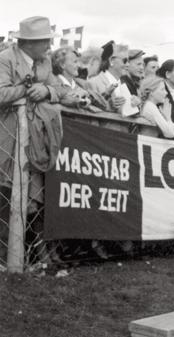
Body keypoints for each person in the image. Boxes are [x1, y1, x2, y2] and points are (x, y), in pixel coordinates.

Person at [0, 16, 62, 262]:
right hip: (7, 138)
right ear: (28, 43)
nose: (48, 45)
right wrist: (29, 90)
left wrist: (47, 90)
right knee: (5, 196)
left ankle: (15, 256)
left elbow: (63, 92)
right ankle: (5, 258)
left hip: (34, 142)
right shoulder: (5, 58)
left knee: (28, 199)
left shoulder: (45, 61)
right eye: (44, 40)